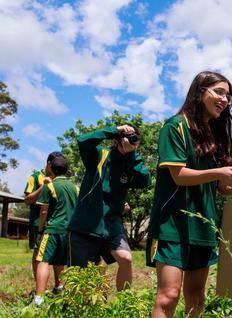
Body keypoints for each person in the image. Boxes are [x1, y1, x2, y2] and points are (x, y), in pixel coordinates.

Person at [147, 71, 232, 318]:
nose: (225, 100)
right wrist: (218, 172)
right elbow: (178, 175)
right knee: (168, 295)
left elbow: (224, 188)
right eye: (219, 92)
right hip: (172, 226)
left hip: (203, 227)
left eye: (227, 95)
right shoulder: (175, 127)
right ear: (199, 92)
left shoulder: (214, 135)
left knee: (196, 296)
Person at [67, 124, 151, 291]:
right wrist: (114, 130)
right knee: (79, 280)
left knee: (126, 259)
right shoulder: (99, 156)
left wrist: (132, 154)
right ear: (116, 140)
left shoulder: (130, 163)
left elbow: (145, 181)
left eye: (134, 138)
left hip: (111, 225)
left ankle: (123, 305)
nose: (130, 141)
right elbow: (83, 141)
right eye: (126, 137)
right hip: (86, 226)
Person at [33, 155, 78, 307]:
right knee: (61, 262)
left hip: (52, 230)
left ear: (51, 168)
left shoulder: (50, 186)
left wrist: (40, 231)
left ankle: (38, 299)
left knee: (42, 261)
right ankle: (61, 291)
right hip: (70, 232)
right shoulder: (75, 188)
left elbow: (44, 212)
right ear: (67, 170)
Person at [23, 152, 65, 294]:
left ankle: (59, 287)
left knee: (59, 257)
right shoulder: (35, 177)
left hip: (56, 225)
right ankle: (40, 289)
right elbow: (27, 200)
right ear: (49, 164)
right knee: (39, 256)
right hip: (38, 224)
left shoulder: (61, 179)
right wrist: (43, 187)